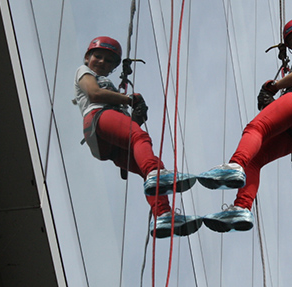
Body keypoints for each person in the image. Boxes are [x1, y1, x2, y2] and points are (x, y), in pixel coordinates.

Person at [197, 18, 292, 233]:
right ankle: (241, 208)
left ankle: (234, 165)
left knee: (255, 128)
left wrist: (274, 87)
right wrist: (274, 97)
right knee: (254, 161)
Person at [73, 36, 200, 238]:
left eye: (108, 61)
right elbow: (94, 93)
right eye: (98, 56)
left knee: (148, 166)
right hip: (97, 117)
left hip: (102, 137)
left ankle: (163, 215)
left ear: (112, 68)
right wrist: (129, 99)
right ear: (87, 58)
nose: (101, 62)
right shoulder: (84, 71)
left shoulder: (109, 86)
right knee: (141, 141)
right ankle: (155, 177)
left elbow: (122, 128)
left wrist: (134, 117)